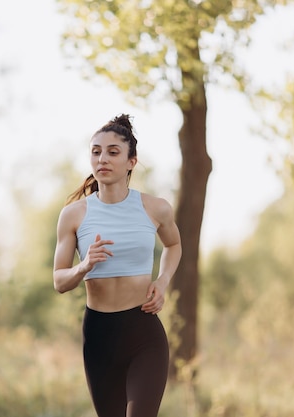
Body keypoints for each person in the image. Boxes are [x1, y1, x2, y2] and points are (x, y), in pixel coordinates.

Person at [53, 113, 182, 417]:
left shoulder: (155, 208)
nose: (102, 159)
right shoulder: (73, 215)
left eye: (113, 152)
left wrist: (161, 282)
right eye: (96, 152)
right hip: (99, 336)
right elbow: (59, 281)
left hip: (143, 333)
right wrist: (83, 266)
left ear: (131, 161)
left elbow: (174, 245)